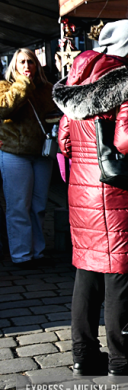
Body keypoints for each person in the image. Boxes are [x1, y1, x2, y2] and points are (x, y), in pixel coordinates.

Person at [53, 20, 128, 381]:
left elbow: (65, 141)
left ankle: (83, 356)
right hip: (116, 197)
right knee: (122, 276)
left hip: (83, 189)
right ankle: (122, 359)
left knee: (87, 274)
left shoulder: (76, 79)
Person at [0, 49, 57, 267]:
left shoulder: (47, 89)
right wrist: (23, 83)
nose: (27, 66)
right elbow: (5, 109)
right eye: (22, 62)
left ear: (37, 65)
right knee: (18, 205)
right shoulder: (5, 87)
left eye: (31, 62)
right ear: (14, 66)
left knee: (39, 205)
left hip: (41, 152)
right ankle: (21, 255)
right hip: (14, 153)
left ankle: (38, 251)